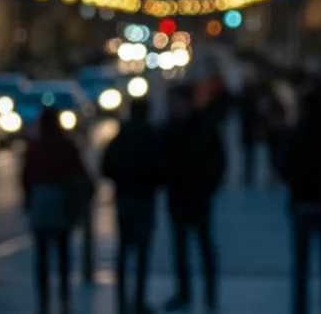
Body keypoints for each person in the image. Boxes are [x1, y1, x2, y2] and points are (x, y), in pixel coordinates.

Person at [22, 106, 93, 314]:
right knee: (63, 253)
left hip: (41, 200)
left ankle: (43, 301)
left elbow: (26, 176)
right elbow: (80, 172)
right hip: (61, 202)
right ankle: (64, 298)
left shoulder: (35, 147)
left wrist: (28, 200)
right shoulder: (66, 146)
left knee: (42, 256)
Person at [162, 84, 227, 313]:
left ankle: (209, 294)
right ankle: (185, 293)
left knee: (203, 246)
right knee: (182, 249)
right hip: (180, 197)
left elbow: (219, 159)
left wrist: (209, 185)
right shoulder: (171, 128)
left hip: (198, 197)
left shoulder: (203, 126)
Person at [102, 98, 162, 314]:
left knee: (124, 251)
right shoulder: (151, 136)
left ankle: (121, 299)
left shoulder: (121, 137)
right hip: (144, 199)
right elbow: (161, 167)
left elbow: (106, 166)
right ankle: (138, 300)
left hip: (125, 197)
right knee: (142, 253)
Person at [280, 84, 321, 314]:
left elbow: (285, 166)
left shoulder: (297, 132)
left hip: (302, 204)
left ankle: (300, 306)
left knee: (301, 264)